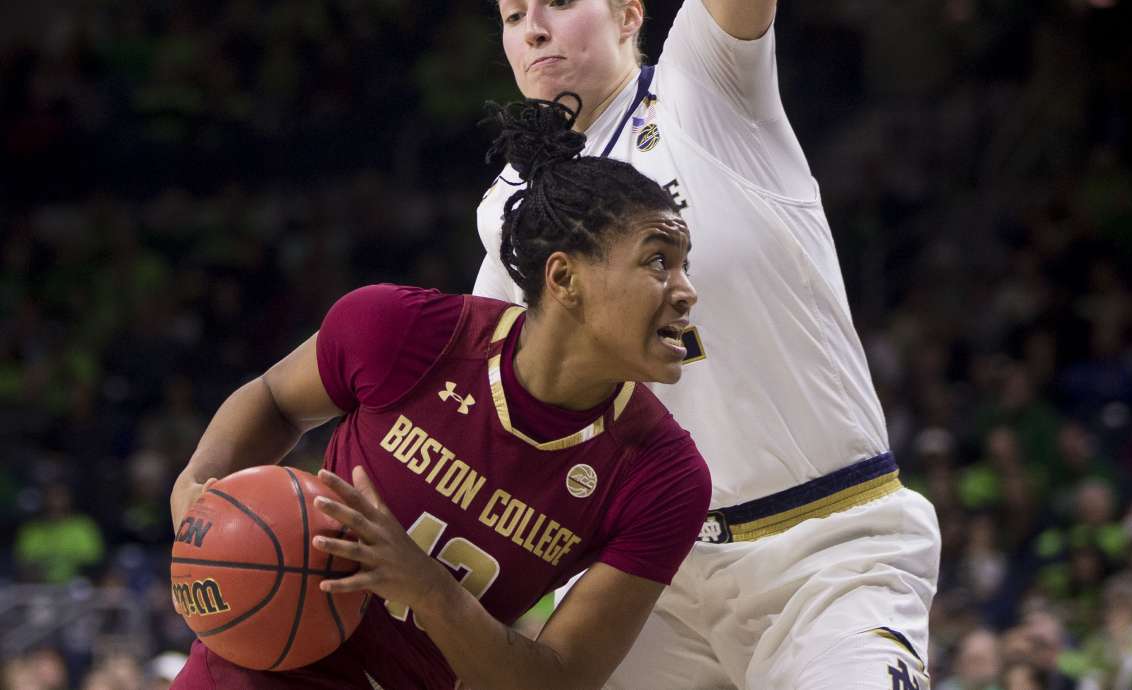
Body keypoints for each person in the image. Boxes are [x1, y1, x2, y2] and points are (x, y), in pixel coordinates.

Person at [168, 97, 711, 690]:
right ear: (564, 278)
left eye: (684, 266)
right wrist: (197, 483)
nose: (686, 290)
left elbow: (559, 680)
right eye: (658, 262)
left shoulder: (666, 479)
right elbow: (275, 399)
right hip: (246, 673)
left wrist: (428, 589)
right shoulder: (406, 330)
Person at [474, 0, 941, 687]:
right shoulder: (510, 206)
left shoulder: (703, 83)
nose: (534, 28)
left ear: (629, 16)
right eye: (514, 16)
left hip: (823, 549)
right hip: (646, 580)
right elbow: (477, 398)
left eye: (561, 2)